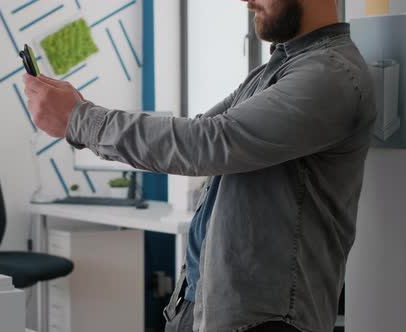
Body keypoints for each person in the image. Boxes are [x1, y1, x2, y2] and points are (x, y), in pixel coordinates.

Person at [23, 0, 376, 331]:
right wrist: (79, 112)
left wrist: (80, 119)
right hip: (202, 305)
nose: (247, 0)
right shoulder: (275, 71)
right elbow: (194, 136)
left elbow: (209, 142)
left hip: (264, 321)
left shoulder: (332, 76)